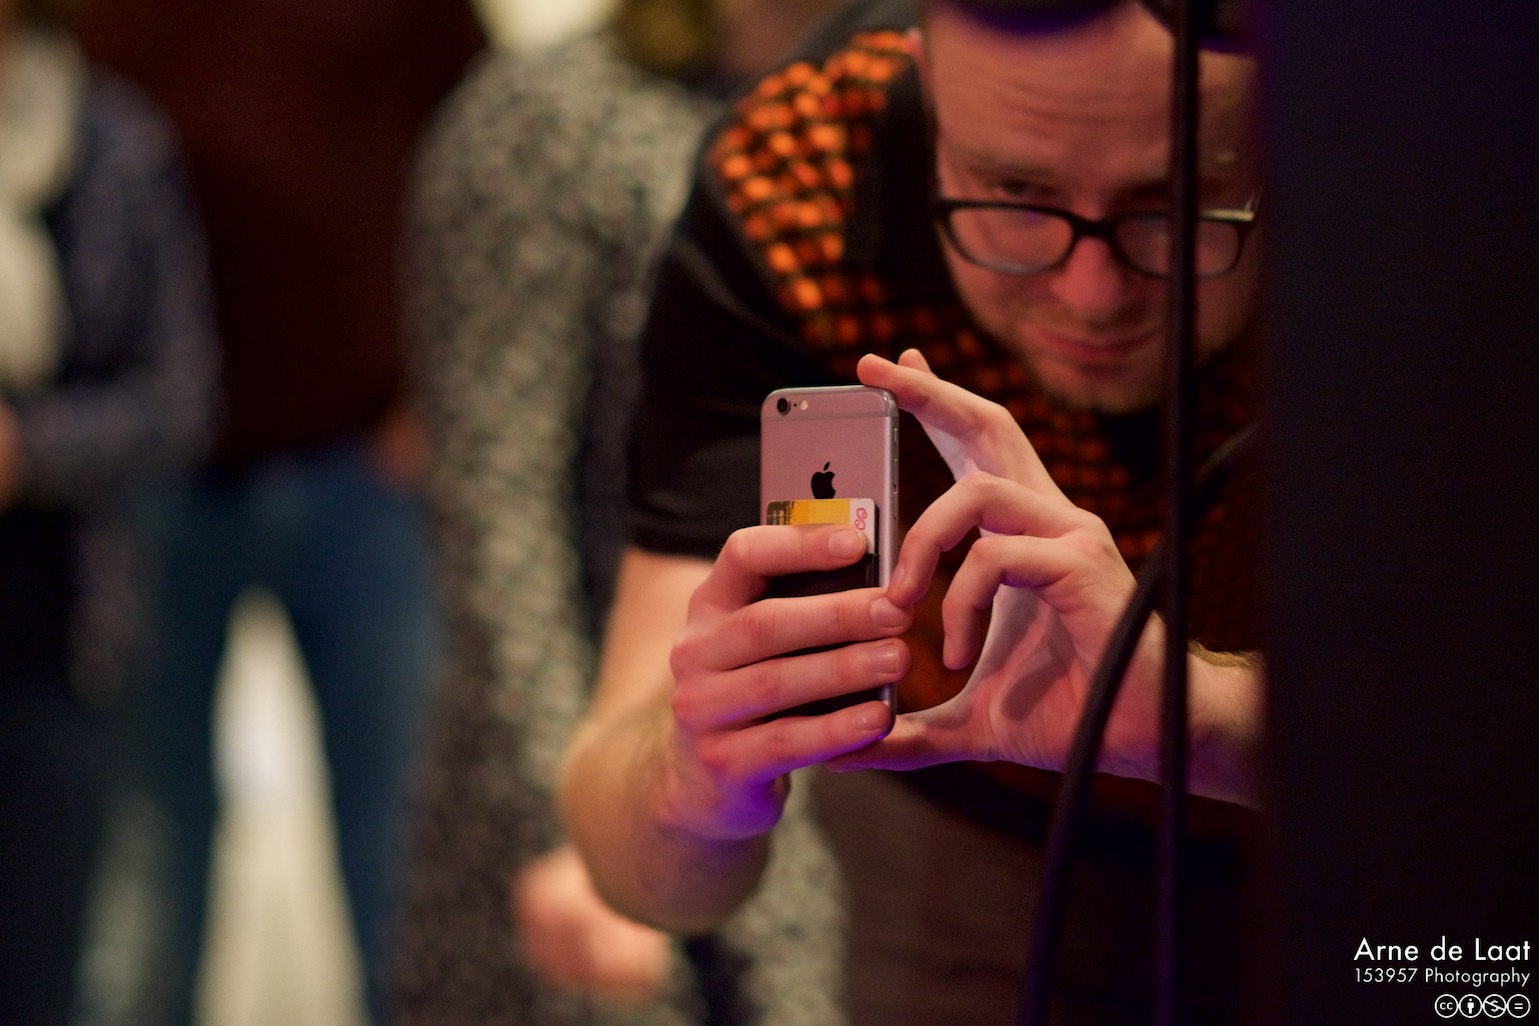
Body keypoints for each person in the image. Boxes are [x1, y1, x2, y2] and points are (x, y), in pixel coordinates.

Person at [560, 1, 1266, 1024]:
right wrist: (689, 780)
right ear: (926, 78)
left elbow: (1476, 760)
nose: (1092, 293)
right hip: (974, 826)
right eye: (1015, 192)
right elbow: (638, 858)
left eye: (1177, 202)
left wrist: (1194, 721)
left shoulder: (1432, 179)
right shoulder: (798, 181)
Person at [389, 1, 850, 1024]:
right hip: (600, 731)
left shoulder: (896, 111)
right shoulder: (549, 120)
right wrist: (573, 827)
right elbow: (494, 505)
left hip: (833, 784)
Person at [66, 2, 483, 1023]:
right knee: (148, 854)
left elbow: (487, 161)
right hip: (159, 479)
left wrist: (437, 392)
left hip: (362, 468)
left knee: (400, 836)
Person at [0, 0, 216, 1021]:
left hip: (57, 623)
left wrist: (28, 452)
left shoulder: (109, 144)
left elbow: (178, 398)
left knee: (48, 960)